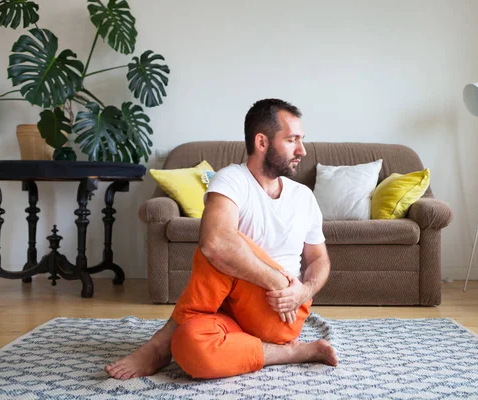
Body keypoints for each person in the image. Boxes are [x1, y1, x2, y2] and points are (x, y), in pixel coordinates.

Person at [105, 98, 338, 380]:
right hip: (225, 312)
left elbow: (319, 259)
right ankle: (291, 353)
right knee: (189, 345)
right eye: (292, 140)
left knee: (217, 243)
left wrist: (301, 291)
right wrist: (275, 278)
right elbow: (216, 243)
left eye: (301, 140)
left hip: (280, 310)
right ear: (262, 142)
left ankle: (158, 345)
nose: (302, 150)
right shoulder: (232, 180)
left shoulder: (302, 196)